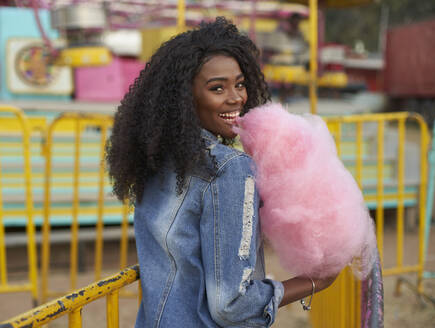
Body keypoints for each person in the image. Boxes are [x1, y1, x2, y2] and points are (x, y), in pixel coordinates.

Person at [107, 17, 337, 327]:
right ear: (185, 98)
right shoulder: (229, 168)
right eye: (217, 88)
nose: (236, 98)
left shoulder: (159, 160)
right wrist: (315, 282)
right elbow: (232, 305)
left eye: (240, 84)